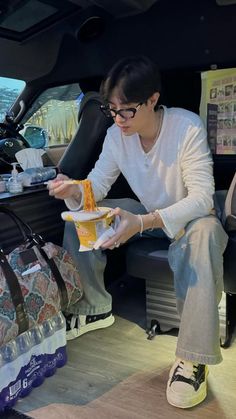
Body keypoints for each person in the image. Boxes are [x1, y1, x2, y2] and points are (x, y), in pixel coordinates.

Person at [48, 55, 228, 409]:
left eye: (126, 109)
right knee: (84, 216)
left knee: (204, 234)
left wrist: (142, 223)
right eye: (111, 110)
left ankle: (194, 359)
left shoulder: (185, 127)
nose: (118, 119)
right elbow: (97, 185)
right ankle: (95, 307)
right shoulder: (117, 136)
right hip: (148, 214)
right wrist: (74, 190)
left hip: (193, 217)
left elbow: (202, 198)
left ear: (152, 100)